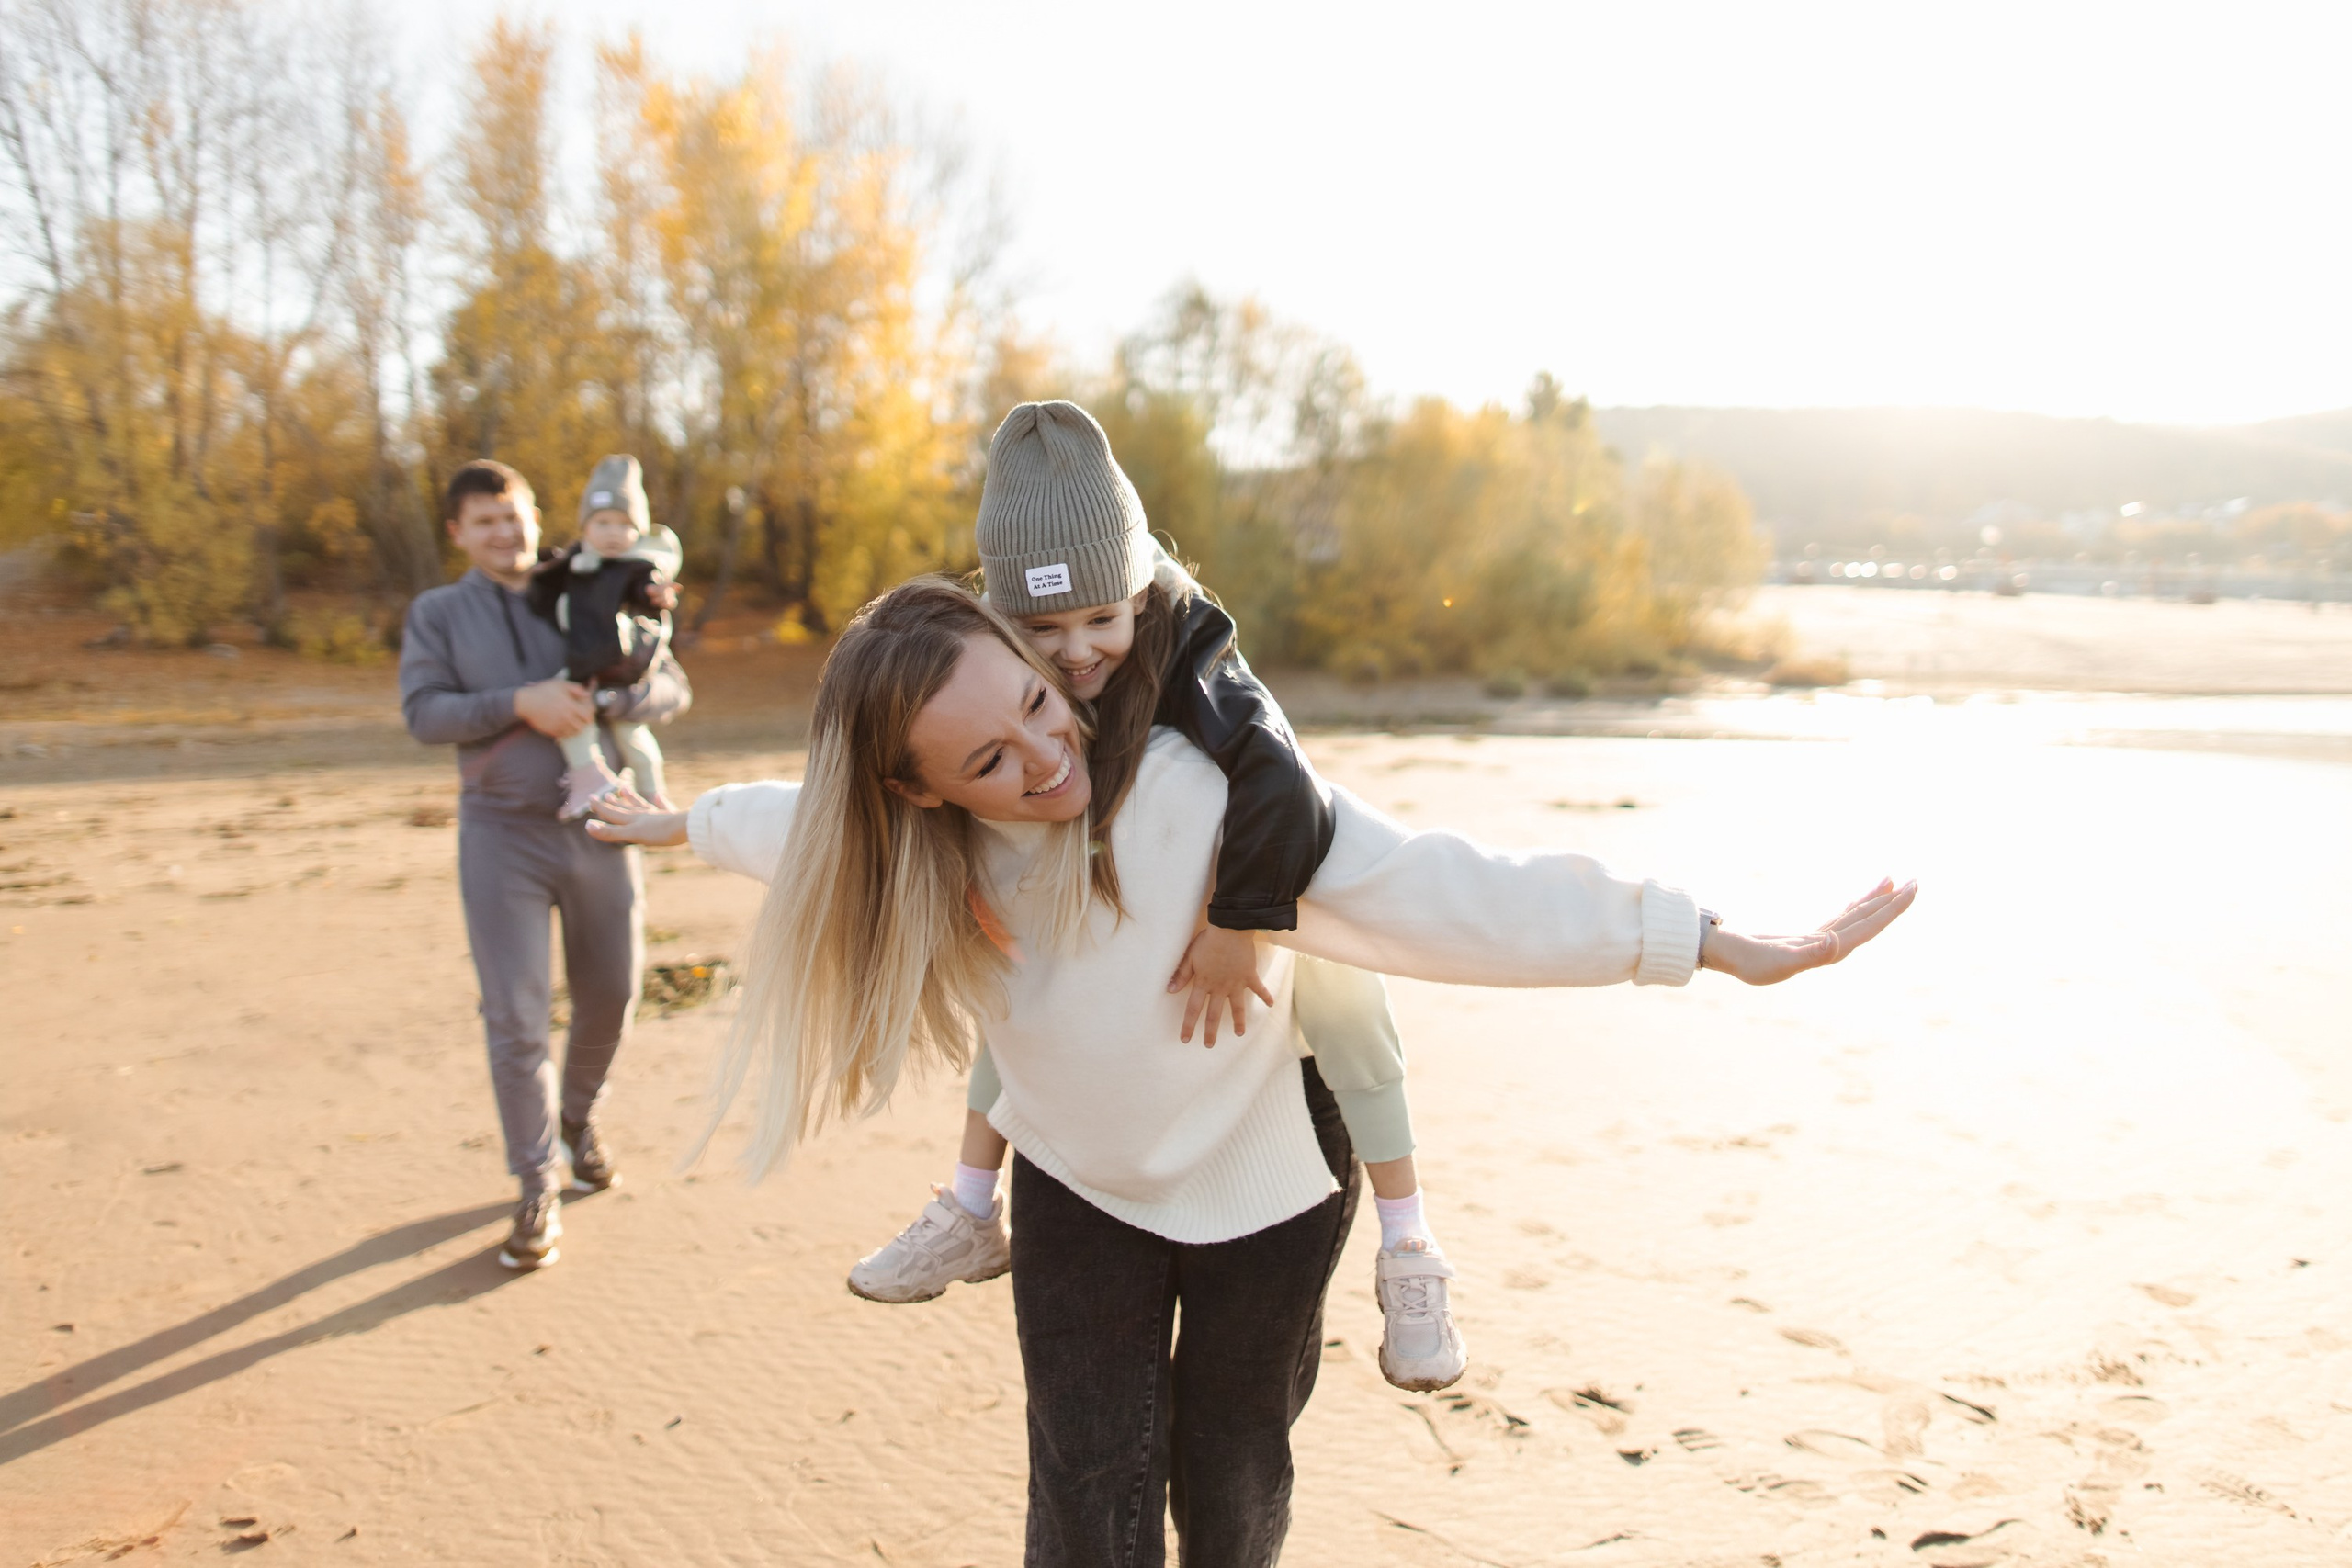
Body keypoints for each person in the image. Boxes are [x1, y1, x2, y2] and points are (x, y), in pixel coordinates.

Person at [588, 576, 1913, 1564]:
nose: (1047, 756)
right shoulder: (916, 849)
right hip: (1082, 1191)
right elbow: (793, 820)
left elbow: (1433, 888)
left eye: (1045, 705)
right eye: (989, 758)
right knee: (1084, 1492)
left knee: (1227, 1487)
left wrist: (1704, 938)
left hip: (1269, 1192)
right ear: (917, 790)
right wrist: (674, 819)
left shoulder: (1187, 801)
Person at [847, 400, 1464, 1391]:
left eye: (1102, 618)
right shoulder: (1003, 670)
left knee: (1347, 997)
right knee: (1017, 1001)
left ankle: (1408, 1240)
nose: (1082, 650)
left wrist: (1235, 926)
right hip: (1103, 907)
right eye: (1045, 630)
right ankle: (968, 1204)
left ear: (1138, 588)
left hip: (1266, 873)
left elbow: (1281, 785)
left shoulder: (1191, 644)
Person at [399, 458, 692, 1270]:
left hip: (602, 826)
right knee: (517, 1013)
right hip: (503, 838)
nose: (504, 532)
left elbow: (671, 685)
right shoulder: (440, 613)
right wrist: (519, 702)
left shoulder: (585, 583)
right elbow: (423, 712)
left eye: (515, 516)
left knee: (613, 992)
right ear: (458, 532)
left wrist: (613, 701)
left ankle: (577, 1119)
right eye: (484, 521)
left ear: (537, 517)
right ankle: (534, 1182)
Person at [525, 454, 685, 819]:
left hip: (618, 664)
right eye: (602, 522)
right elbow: (543, 582)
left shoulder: (637, 566)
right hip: (590, 661)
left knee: (593, 716)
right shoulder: (578, 562)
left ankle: (643, 789)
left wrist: (657, 593)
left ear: (639, 531)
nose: (613, 533)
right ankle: (607, 781)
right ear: (585, 527)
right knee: (619, 731)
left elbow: (649, 587)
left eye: (624, 524)